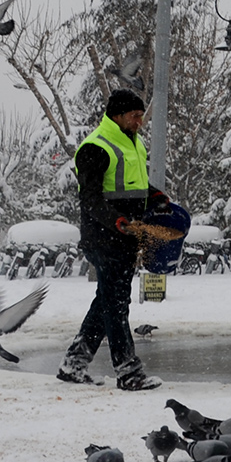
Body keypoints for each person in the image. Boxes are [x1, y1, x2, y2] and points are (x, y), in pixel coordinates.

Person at [58, 90, 163, 390]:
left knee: (107, 301)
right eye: (134, 116)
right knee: (116, 304)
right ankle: (128, 372)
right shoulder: (95, 147)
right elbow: (90, 199)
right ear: (117, 116)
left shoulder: (133, 143)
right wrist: (116, 221)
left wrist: (154, 195)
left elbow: (132, 185)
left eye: (141, 116)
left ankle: (74, 363)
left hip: (126, 237)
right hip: (104, 238)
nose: (140, 121)